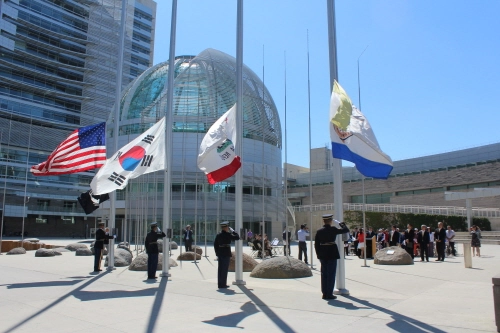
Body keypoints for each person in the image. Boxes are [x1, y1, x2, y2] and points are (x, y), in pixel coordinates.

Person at [314, 214, 349, 300]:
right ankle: (329, 293)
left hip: (322, 253)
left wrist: (318, 254)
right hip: (332, 253)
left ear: (323, 221)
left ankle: (324, 293)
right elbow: (345, 230)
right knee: (331, 274)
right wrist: (342, 224)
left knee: (324, 274)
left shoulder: (319, 231)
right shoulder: (333, 229)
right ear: (330, 221)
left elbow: (316, 244)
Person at [214, 221, 240, 288]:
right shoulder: (228, 234)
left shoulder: (218, 234)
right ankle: (223, 284)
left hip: (220, 253)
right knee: (224, 269)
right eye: (227, 227)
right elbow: (237, 237)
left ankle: (220, 284)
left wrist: (217, 253)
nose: (228, 228)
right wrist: (233, 231)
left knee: (220, 269)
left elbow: (215, 244)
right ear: (225, 227)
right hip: (226, 253)